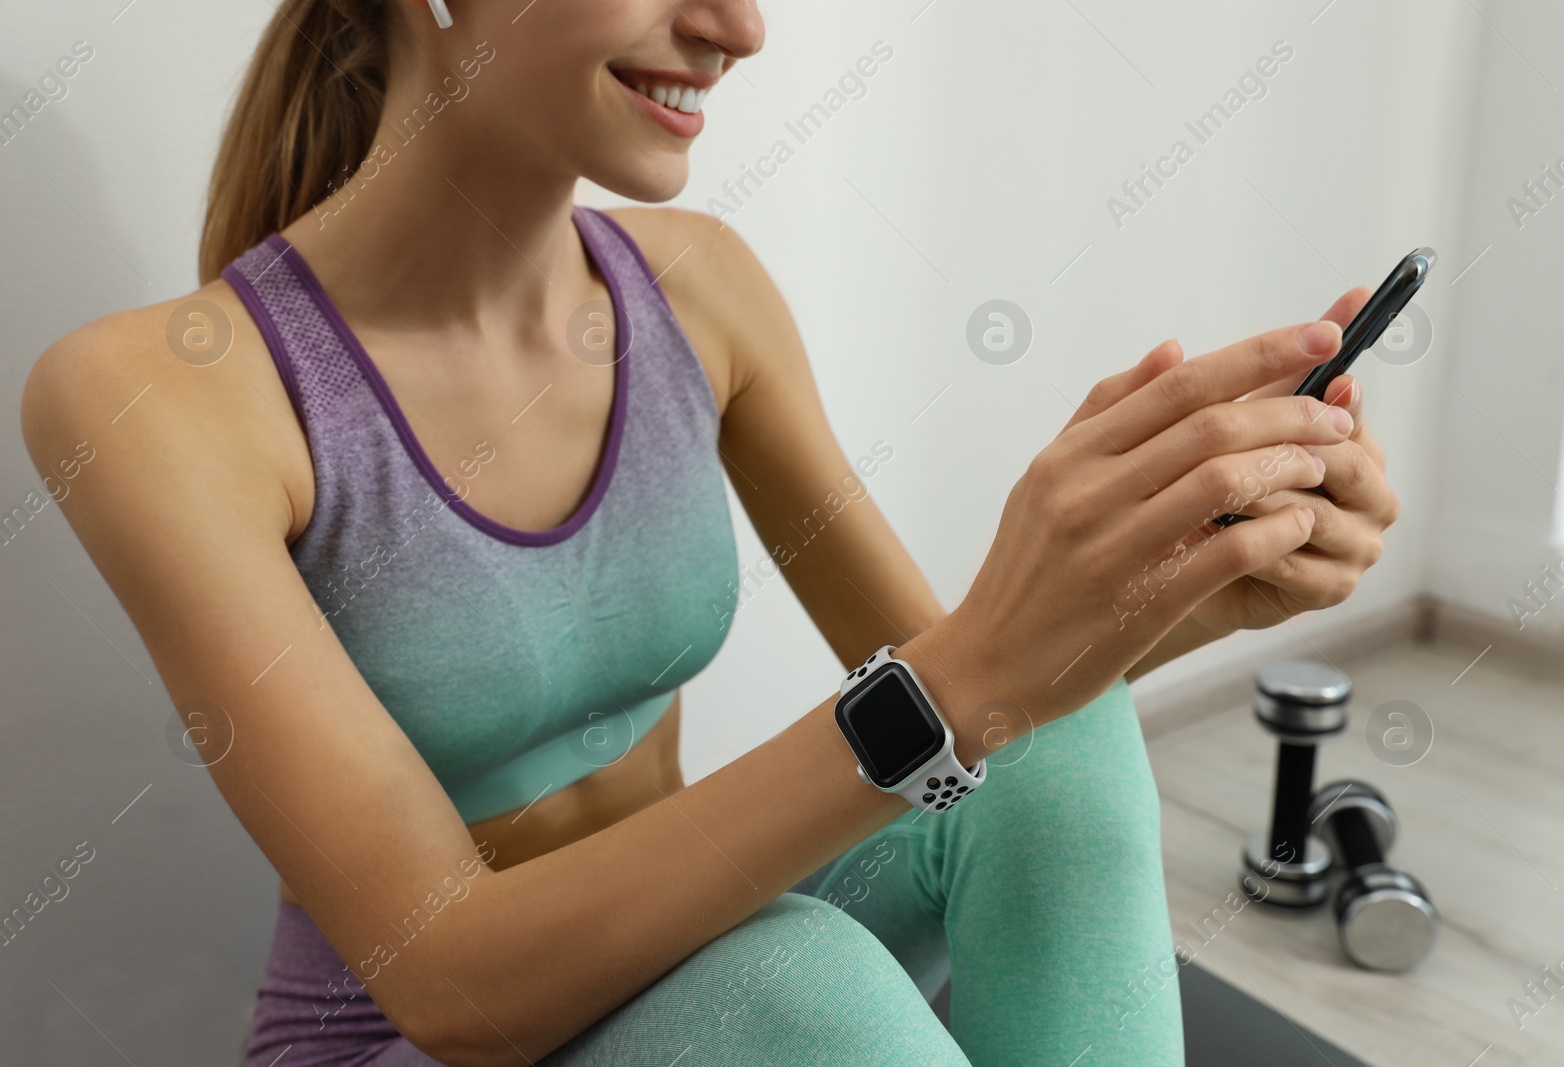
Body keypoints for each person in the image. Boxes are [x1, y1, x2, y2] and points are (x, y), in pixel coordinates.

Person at [18, 0, 1398, 1064]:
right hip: (423, 1037)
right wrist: (971, 674)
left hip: (690, 983)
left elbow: (980, 708)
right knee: (792, 974)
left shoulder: (698, 291)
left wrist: (1199, 578)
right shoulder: (157, 397)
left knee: (1053, 753)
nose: (740, 28)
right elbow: (451, 987)